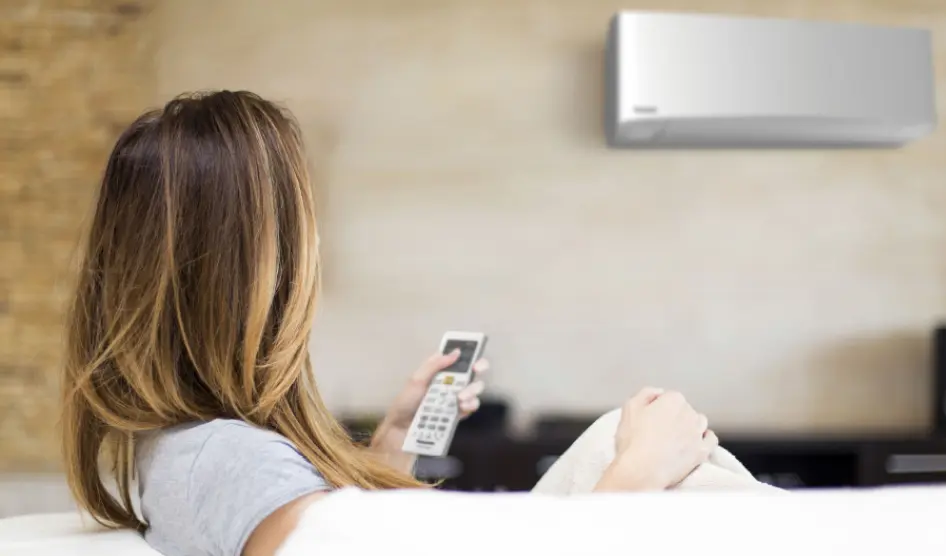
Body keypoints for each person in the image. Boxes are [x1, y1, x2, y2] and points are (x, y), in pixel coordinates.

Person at [60, 91, 719, 556]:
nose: (317, 247)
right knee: (657, 452)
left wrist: (392, 445)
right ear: (255, 266)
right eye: (303, 222)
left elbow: (324, 536)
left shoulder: (191, 449)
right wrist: (631, 482)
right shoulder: (230, 461)